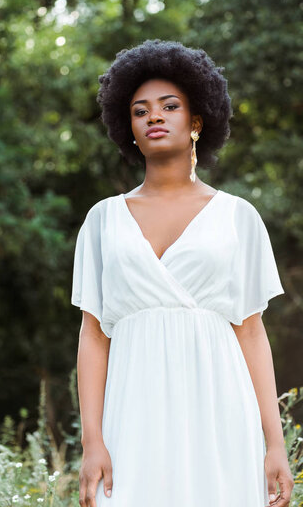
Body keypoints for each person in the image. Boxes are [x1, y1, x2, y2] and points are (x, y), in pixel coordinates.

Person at [71, 39, 294, 507]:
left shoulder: (238, 217)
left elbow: (251, 333)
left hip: (221, 411)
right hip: (132, 413)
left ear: (196, 122)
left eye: (169, 106)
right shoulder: (102, 221)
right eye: (140, 110)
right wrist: (93, 441)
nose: (154, 116)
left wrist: (274, 444)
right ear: (128, 128)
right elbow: (93, 336)